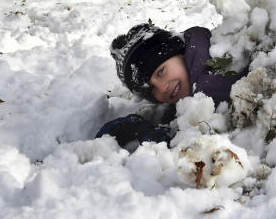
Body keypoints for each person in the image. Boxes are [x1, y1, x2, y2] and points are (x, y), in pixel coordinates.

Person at [96, 23, 244, 149]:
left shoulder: (208, 85)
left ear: (176, 52)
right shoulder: (199, 50)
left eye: (161, 72)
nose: (162, 88)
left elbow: (198, 146)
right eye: (152, 89)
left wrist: (158, 136)